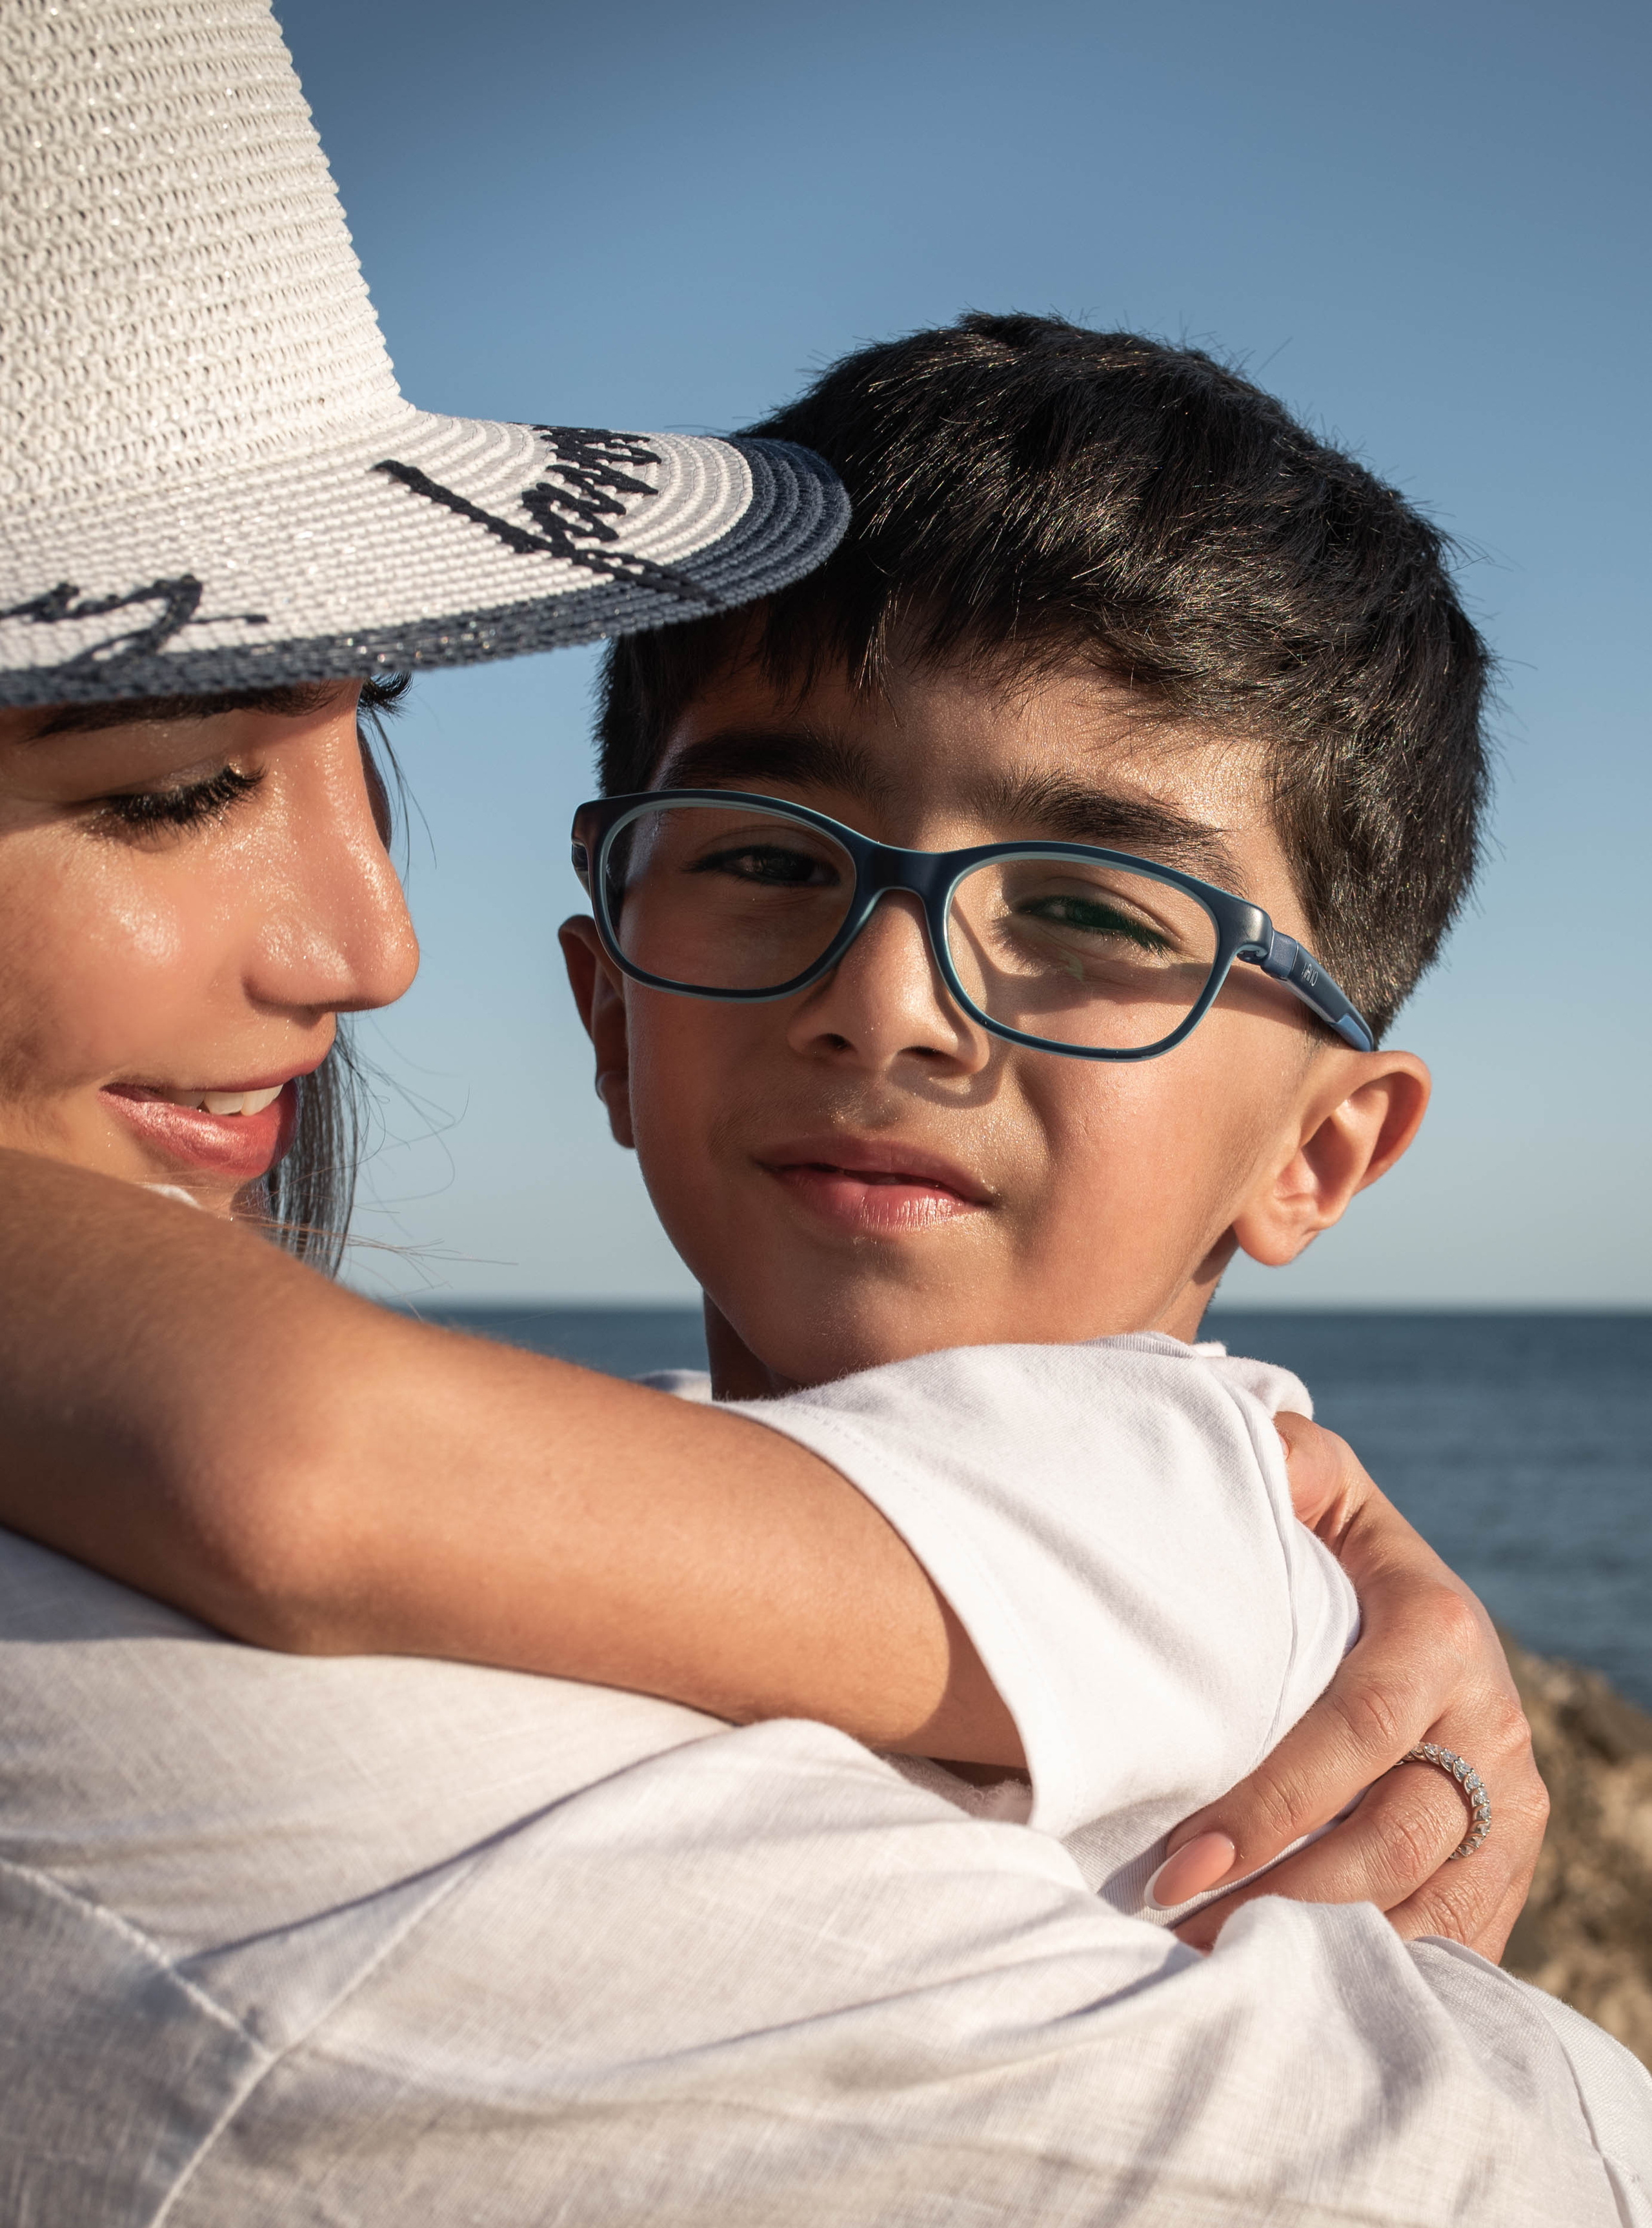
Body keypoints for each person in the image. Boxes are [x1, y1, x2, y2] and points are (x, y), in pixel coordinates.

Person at [1, 2, 1646, 2220]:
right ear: (608, 1010)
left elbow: (302, 1462)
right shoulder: (751, 1482)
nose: (891, 1003)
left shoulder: (1167, 1497)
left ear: (1325, 1151)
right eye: (771, 863)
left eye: (1086, 910)